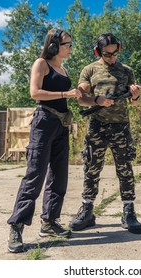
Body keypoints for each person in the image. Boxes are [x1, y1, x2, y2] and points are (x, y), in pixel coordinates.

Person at [7, 28, 82, 253]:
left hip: (61, 125)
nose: (70, 47)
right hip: (44, 122)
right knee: (35, 175)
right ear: (53, 46)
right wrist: (65, 94)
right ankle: (16, 226)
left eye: (70, 43)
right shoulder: (41, 64)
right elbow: (35, 93)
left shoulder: (64, 68)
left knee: (59, 176)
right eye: (67, 44)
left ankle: (49, 222)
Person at [69, 33, 141, 234]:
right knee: (91, 169)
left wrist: (136, 96)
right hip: (97, 126)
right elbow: (81, 98)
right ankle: (87, 211)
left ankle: (129, 212)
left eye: (115, 53)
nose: (112, 58)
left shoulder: (127, 71)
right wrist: (97, 100)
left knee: (125, 170)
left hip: (121, 127)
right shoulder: (90, 70)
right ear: (97, 52)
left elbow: (134, 104)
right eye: (107, 54)